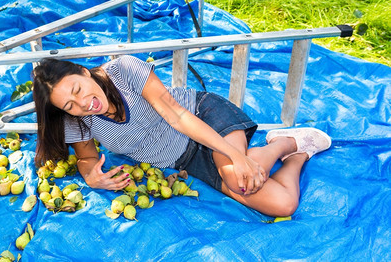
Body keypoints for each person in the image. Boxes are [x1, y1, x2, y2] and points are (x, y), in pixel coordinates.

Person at [32, 55, 331, 217]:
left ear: (84, 72)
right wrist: (91, 177)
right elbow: (86, 159)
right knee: (283, 205)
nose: (82, 103)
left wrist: (236, 156)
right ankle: (295, 151)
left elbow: (177, 115)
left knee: (237, 177)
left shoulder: (122, 70)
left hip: (202, 117)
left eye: (77, 90)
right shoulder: (79, 121)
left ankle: (282, 143)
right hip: (185, 158)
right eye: (69, 105)